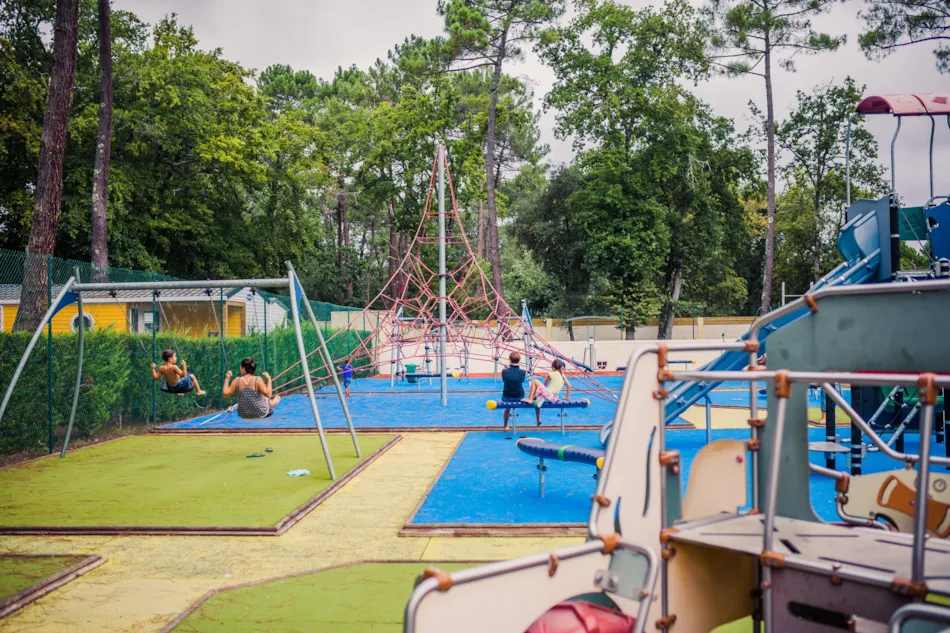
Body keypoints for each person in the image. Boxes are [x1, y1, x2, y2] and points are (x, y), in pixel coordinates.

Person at [521, 359, 571, 425]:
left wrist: (535, 393)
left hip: (548, 395)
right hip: (555, 398)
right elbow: (569, 386)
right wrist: (566, 398)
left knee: (534, 381)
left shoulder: (551, 374)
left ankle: (530, 399)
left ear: (553, 367)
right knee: (537, 401)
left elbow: (544, 385)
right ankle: (538, 419)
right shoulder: (563, 376)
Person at [500, 351, 526, 431]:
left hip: (507, 396)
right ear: (519, 360)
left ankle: (505, 425)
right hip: (519, 396)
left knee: (507, 409)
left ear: (509, 360)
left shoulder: (504, 371)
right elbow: (520, 381)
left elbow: (505, 380)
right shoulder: (523, 372)